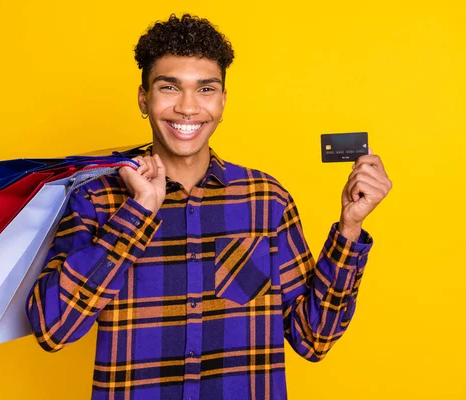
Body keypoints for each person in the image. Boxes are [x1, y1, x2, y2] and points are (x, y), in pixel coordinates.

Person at [26, 13, 392, 400]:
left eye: (205, 89)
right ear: (143, 99)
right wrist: (137, 214)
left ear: (222, 100)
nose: (187, 108)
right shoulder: (96, 197)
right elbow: (54, 329)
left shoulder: (266, 200)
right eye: (169, 87)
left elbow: (313, 338)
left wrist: (350, 227)